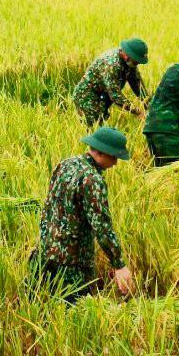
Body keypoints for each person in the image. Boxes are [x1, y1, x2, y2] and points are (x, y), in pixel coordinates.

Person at [32, 126, 134, 302]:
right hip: (72, 265)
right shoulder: (93, 180)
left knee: (43, 308)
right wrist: (119, 265)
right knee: (74, 316)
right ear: (102, 152)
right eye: (114, 157)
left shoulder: (65, 164)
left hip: (44, 255)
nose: (116, 163)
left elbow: (48, 206)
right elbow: (102, 227)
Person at [72, 38, 149, 126]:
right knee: (93, 128)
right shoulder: (112, 65)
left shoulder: (130, 63)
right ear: (127, 56)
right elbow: (115, 95)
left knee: (102, 123)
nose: (137, 64)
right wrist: (137, 112)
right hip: (86, 95)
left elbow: (137, 84)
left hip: (103, 96)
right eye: (136, 62)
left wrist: (149, 105)